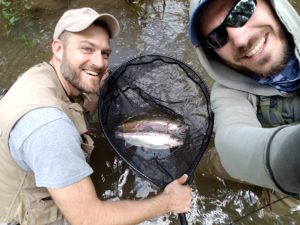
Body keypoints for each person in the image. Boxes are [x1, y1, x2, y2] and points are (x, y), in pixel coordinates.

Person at [0, 7, 192, 225]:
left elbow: (68, 107)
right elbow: (90, 219)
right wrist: (167, 202)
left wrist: (94, 94)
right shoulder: (49, 127)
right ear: (59, 49)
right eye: (87, 49)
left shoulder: (42, 75)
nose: (100, 63)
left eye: (105, 53)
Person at [188, 0, 300, 211]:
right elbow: (230, 143)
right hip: (270, 183)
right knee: (210, 162)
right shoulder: (227, 93)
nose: (239, 39)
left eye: (242, 9)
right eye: (217, 37)